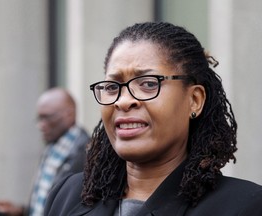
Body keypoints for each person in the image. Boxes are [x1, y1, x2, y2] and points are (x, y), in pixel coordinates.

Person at [44, 22, 262, 216]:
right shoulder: (67, 195)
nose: (123, 101)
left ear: (194, 100)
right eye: (112, 87)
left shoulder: (244, 206)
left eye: (148, 83)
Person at [0, 87, 90, 216]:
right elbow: (44, 202)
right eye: (39, 118)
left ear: (69, 114)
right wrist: (22, 211)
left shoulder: (88, 152)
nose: (41, 125)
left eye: (47, 117)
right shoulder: (51, 148)